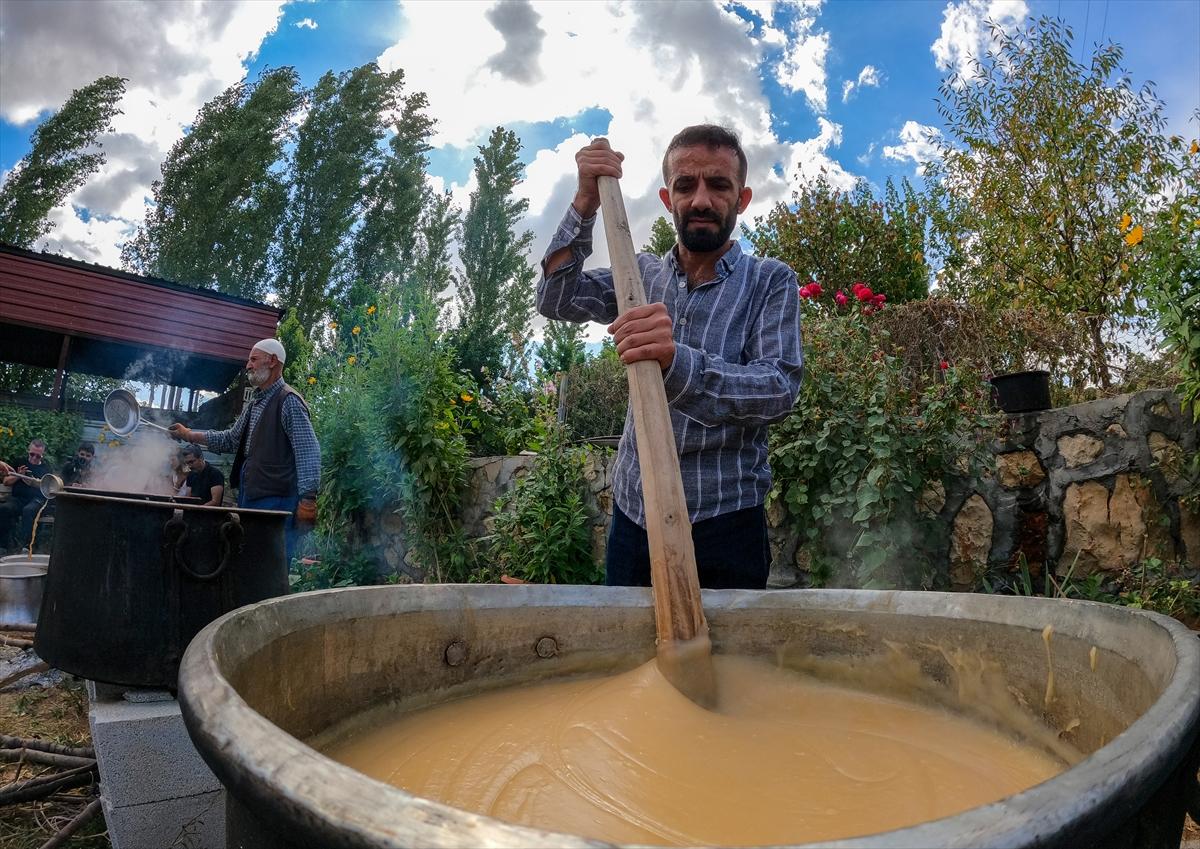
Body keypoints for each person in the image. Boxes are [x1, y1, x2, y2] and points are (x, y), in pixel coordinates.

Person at [538, 125, 803, 589]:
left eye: (718, 185)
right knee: (629, 635)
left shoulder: (769, 281)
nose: (701, 200)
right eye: (685, 186)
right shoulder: (636, 275)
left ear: (741, 199)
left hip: (726, 522)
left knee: (728, 640)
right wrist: (585, 203)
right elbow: (555, 299)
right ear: (667, 198)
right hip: (634, 517)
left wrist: (677, 363)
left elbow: (777, 390)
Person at [169, 339, 320, 561]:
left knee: (272, 564)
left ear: (272, 361)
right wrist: (189, 435)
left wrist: (308, 499)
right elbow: (230, 439)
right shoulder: (256, 404)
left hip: (277, 501)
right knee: (251, 562)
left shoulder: (289, 401)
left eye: (253, 359)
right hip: (252, 497)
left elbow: (308, 452)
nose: (248, 365)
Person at [0, 438, 52, 551]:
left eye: (38, 456)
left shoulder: (46, 468)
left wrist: (33, 482)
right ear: (28, 451)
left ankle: (27, 547)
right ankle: (3, 546)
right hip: (18, 499)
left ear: (42, 455)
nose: (34, 458)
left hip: (36, 500)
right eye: (32, 454)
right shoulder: (20, 462)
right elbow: (6, 481)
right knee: (4, 508)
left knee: (28, 511)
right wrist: (19, 475)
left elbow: (48, 489)